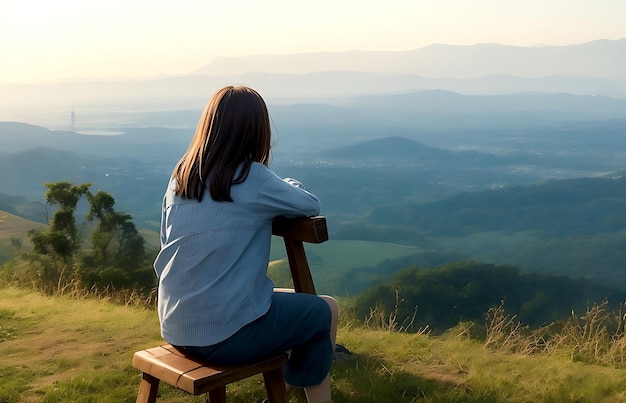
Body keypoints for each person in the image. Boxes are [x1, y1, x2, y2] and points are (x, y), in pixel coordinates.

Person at [153, 85, 338, 403]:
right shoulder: (251, 177)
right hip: (224, 335)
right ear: (257, 130)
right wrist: (286, 184)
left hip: (175, 325)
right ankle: (307, 396)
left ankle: (287, 391)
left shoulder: (182, 176)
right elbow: (310, 205)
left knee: (289, 303)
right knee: (324, 311)